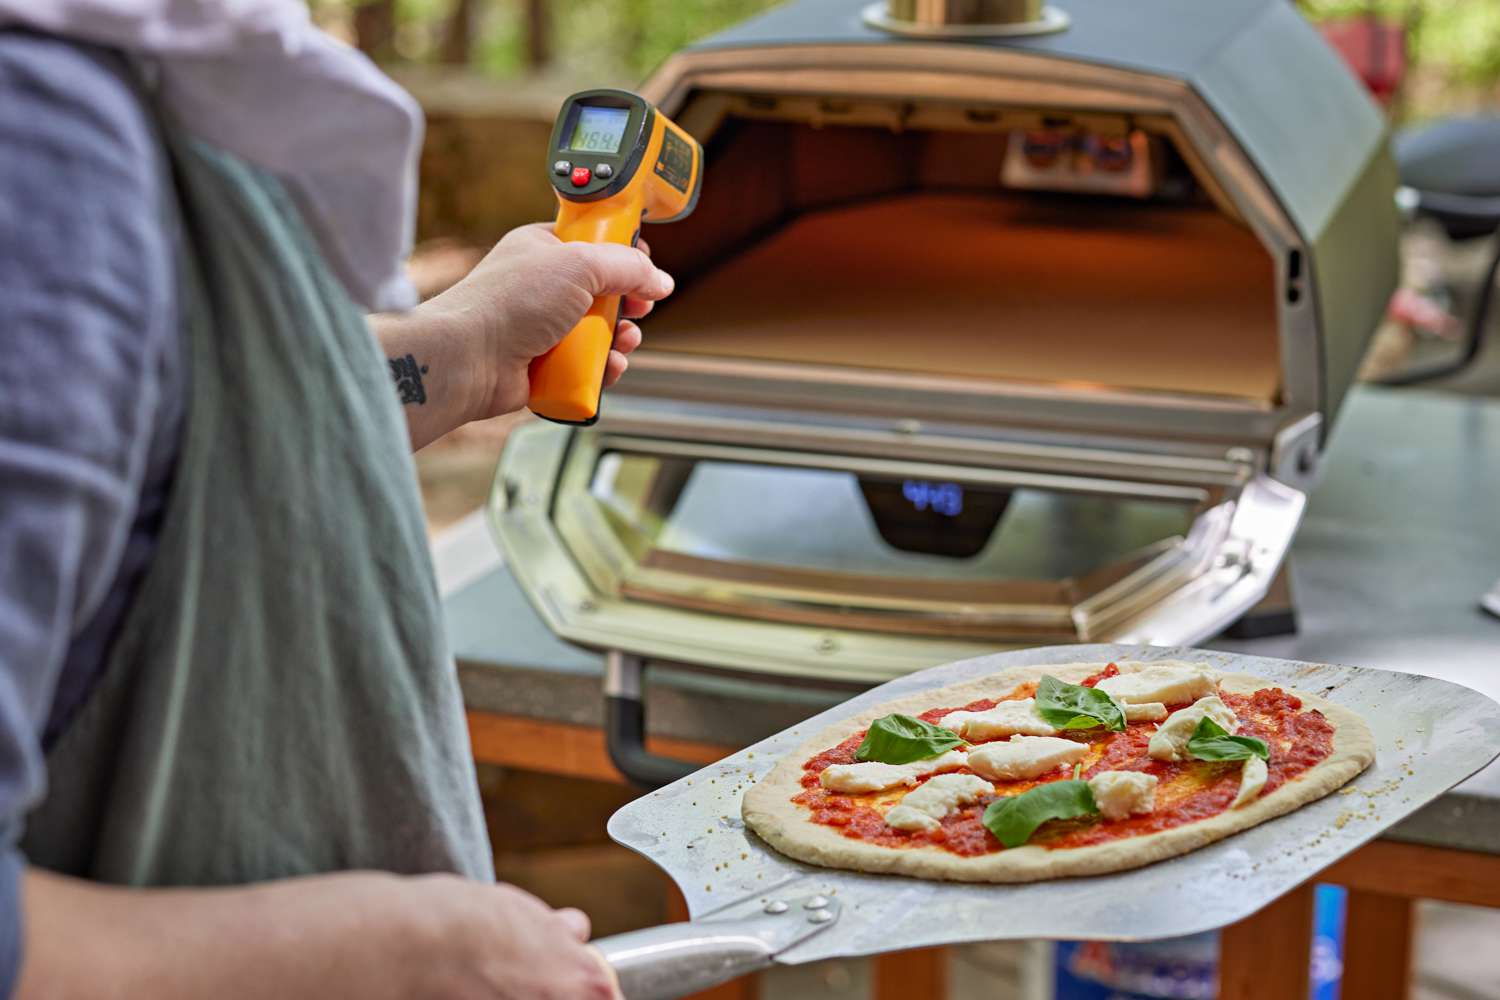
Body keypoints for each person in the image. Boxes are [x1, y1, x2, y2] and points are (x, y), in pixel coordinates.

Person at [0, 3, 672, 997]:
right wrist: (394, 958)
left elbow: (183, 416)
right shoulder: (45, 143)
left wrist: (457, 349)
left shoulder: (124, 84)